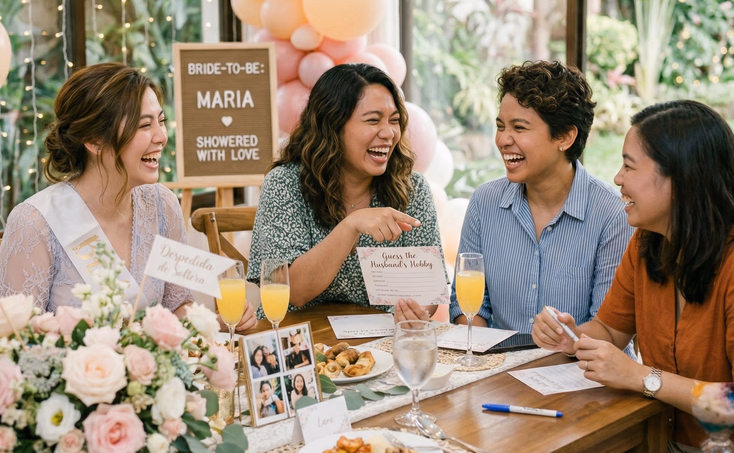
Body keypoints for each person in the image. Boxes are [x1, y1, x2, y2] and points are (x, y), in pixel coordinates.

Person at [532, 100, 734, 451]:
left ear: (681, 177)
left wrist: (641, 376)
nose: (617, 179)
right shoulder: (647, 241)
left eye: (629, 166)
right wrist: (573, 338)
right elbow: (611, 330)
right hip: (653, 437)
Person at [0, 63, 256, 330]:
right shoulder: (34, 223)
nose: (161, 136)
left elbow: (177, 307)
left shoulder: (161, 205)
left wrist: (215, 324)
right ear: (94, 140)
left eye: (161, 121)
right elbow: (16, 344)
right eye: (144, 125)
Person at [247, 63, 446, 322]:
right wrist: (350, 226)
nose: (388, 133)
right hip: (297, 345)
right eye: (373, 120)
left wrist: (416, 310)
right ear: (333, 125)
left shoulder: (412, 188)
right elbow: (290, 292)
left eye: (394, 120)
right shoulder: (284, 184)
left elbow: (429, 295)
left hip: (379, 347)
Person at [449, 61, 634, 333]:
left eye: (519, 128)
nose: (503, 140)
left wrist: (565, 341)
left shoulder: (611, 214)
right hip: (501, 367)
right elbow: (467, 306)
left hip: (578, 371)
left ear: (565, 137)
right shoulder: (484, 202)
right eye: (501, 126)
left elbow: (608, 327)